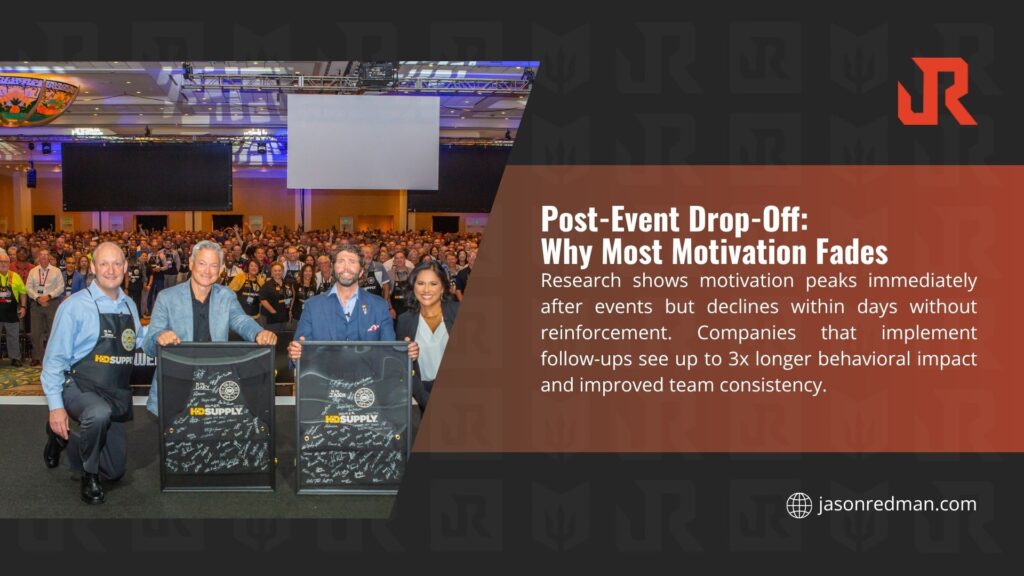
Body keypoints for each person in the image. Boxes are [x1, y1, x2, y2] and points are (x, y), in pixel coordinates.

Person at [41, 242, 141, 505]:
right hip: (78, 386)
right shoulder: (74, 306)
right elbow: (53, 361)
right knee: (98, 413)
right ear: (93, 267)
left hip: (113, 391)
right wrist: (56, 408)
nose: (111, 270)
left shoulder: (130, 305)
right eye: (104, 263)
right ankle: (89, 474)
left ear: (125, 267)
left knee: (115, 471)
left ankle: (61, 439)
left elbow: (139, 341)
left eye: (117, 263)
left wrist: (163, 337)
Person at [143, 240, 278, 416]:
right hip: (175, 386)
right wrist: (160, 336)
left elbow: (241, 320)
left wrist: (259, 332)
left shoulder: (226, 296)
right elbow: (148, 346)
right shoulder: (166, 297)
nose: (207, 271)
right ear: (191, 263)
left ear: (221, 269)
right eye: (202, 263)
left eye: (214, 265)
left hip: (214, 386)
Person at [288, 244, 418, 364]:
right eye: (341, 261)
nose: (346, 267)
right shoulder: (312, 306)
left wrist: (405, 354)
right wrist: (295, 355)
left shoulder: (380, 306)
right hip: (323, 379)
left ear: (361, 271)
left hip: (368, 380)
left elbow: (389, 352)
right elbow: (300, 355)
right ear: (333, 269)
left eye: (352, 262)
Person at [395, 261, 459, 414]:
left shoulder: (457, 311)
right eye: (421, 283)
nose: (426, 289)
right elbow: (405, 368)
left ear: (442, 288)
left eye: (433, 284)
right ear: (413, 286)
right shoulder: (404, 320)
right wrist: (425, 400)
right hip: (424, 393)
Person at [26, 249, 66, 366]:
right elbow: (28, 287)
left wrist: (48, 296)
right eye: (41, 255)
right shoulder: (33, 271)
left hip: (52, 303)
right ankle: (37, 357)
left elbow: (61, 287)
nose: (43, 257)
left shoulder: (56, 271)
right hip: (36, 303)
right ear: (38, 257)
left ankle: (52, 357)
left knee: (52, 331)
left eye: (46, 255)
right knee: (36, 332)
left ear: (49, 257)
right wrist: (38, 298)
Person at [0, 252, 28, 367]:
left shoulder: (15, 276)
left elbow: (23, 292)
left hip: (11, 312)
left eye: (5, 262)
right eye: (1, 262)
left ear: (9, 263)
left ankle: (15, 358)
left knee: (13, 336)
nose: (3, 264)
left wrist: (23, 307)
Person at [259, 262, 293, 333]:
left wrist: (289, 311)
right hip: (272, 317)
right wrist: (273, 312)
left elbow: (290, 297)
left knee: (282, 337)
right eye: (275, 271)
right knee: (272, 337)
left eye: (279, 270)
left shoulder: (287, 284)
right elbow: (263, 300)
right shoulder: (267, 285)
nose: (277, 272)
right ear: (271, 272)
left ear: (282, 272)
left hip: (284, 316)